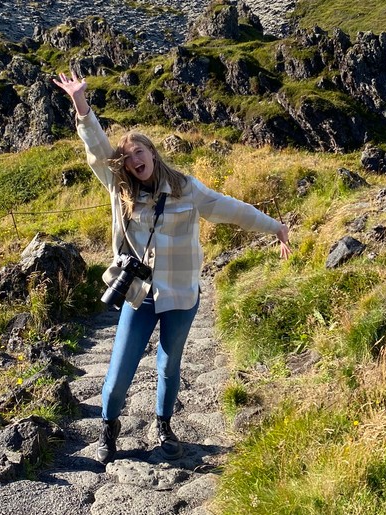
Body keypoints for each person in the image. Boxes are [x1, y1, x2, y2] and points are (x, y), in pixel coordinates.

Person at [53, 71, 291, 464]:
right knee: (118, 374)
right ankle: (108, 429)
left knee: (169, 366)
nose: (133, 160)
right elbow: (97, 149)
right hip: (138, 295)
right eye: (127, 158)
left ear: (152, 153)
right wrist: (81, 104)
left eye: (139, 153)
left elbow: (232, 210)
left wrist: (275, 227)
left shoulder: (186, 188)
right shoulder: (119, 188)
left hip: (181, 294)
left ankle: (164, 424)